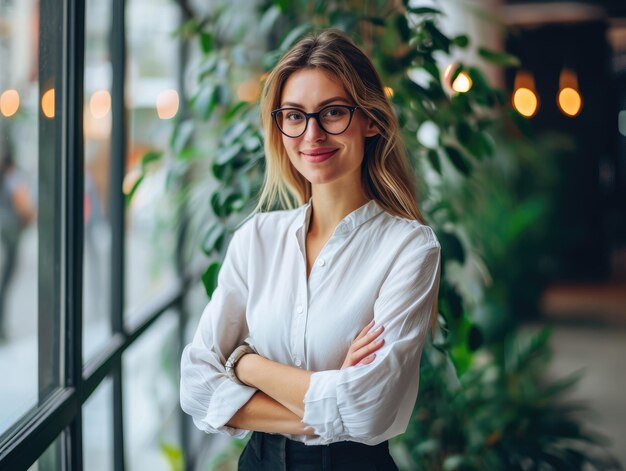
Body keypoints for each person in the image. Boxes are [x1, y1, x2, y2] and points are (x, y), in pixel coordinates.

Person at [180, 29, 441, 470]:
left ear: (370, 120)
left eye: (333, 112)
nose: (312, 134)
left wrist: (245, 365)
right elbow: (195, 385)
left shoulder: (409, 248)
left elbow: (370, 409)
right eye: (295, 116)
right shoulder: (256, 240)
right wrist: (331, 392)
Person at [0, 150, 36, 340]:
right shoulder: (13, 178)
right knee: (5, 281)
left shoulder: (6, 177)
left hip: (4, 232)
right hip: (10, 233)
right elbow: (23, 205)